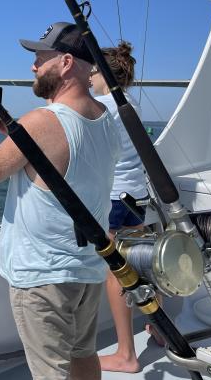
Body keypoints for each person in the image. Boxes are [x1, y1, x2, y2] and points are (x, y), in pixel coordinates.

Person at [0, 22, 120, 380]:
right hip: (87, 269)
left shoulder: (41, 122)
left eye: (40, 58)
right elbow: (64, 156)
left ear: (66, 62)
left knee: (51, 372)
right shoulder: (106, 119)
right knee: (84, 354)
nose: (33, 66)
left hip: (44, 277)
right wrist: (18, 136)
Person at [90, 42, 157, 374]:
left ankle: (126, 354)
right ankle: (159, 329)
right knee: (142, 263)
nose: (87, 77)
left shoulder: (102, 104)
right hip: (137, 195)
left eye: (90, 70)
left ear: (102, 72)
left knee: (117, 269)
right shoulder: (129, 102)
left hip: (116, 198)